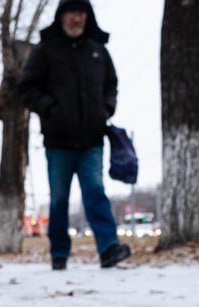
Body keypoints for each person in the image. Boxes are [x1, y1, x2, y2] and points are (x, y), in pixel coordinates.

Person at [18, 0, 130, 270]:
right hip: (58, 140)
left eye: (81, 13)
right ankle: (59, 253)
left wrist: (105, 109)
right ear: (62, 16)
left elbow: (111, 84)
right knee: (59, 199)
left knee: (95, 191)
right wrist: (50, 110)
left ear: (87, 16)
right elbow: (26, 88)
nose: (76, 19)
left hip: (92, 138)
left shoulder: (97, 50)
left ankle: (108, 248)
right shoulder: (46, 50)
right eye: (71, 13)